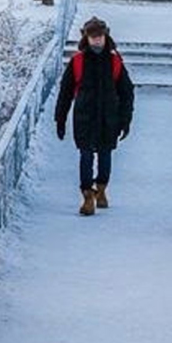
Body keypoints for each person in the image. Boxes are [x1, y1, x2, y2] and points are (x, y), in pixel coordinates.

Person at [55, 17, 135, 216]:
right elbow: (65, 92)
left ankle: (101, 189)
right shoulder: (78, 61)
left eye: (99, 36)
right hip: (84, 116)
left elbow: (126, 92)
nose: (97, 40)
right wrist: (60, 118)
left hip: (109, 116)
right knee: (86, 154)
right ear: (86, 38)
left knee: (106, 154)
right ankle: (87, 195)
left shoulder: (115, 61)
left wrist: (126, 119)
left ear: (105, 36)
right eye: (93, 37)